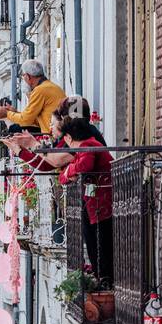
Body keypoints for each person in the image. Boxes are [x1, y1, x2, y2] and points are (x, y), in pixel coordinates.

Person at [59, 116, 114, 285]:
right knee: (94, 241)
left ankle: (105, 278)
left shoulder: (88, 146)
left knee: (100, 242)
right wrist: (68, 173)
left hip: (102, 203)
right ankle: (101, 276)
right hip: (95, 202)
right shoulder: (87, 146)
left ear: (68, 137)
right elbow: (63, 178)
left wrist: (69, 171)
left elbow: (84, 167)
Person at [0, 59, 66, 135]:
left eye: (23, 76)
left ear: (27, 76)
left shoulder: (40, 90)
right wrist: (15, 112)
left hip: (54, 134)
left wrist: (7, 114)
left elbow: (26, 120)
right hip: (59, 132)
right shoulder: (50, 86)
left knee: (16, 131)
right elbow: (33, 120)